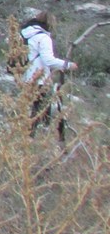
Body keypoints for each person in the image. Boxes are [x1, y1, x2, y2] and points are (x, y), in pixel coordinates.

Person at [20, 11, 78, 139]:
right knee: (41, 108)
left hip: (24, 75)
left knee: (33, 107)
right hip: (39, 78)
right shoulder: (43, 38)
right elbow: (48, 60)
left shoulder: (25, 34)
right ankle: (34, 137)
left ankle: (29, 136)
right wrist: (68, 65)